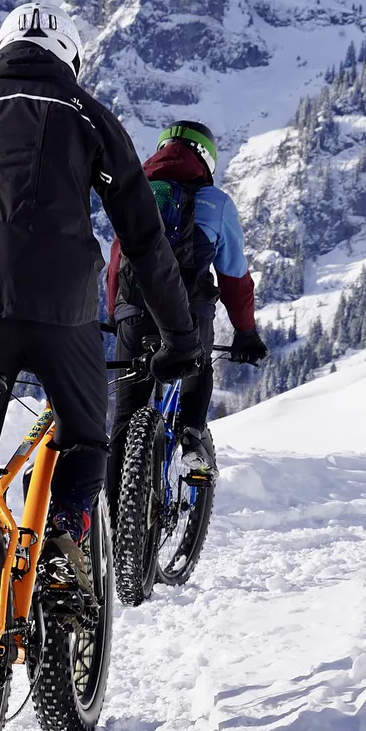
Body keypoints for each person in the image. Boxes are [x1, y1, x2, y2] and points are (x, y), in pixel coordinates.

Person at [0, 2, 201, 592]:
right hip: (62, 312)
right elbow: (143, 239)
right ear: (70, 59)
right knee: (85, 439)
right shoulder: (87, 115)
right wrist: (180, 337)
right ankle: (64, 540)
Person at [105, 120, 269, 482]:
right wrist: (245, 332)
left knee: (125, 418)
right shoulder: (216, 202)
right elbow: (235, 278)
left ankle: (113, 509)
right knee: (198, 363)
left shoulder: (137, 193)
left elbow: (116, 262)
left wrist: (116, 313)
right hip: (190, 314)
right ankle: (193, 433)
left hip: (134, 312)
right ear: (207, 158)